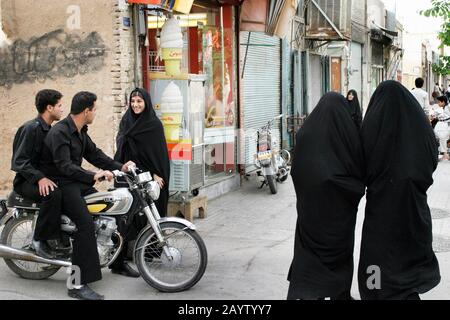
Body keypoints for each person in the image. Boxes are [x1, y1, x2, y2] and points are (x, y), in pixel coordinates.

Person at [40, 91, 135, 300]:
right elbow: (64, 167)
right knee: (85, 224)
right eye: (95, 109)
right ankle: (75, 285)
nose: (95, 113)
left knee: (108, 206)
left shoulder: (80, 131)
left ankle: (116, 263)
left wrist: (122, 167)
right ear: (86, 111)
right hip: (60, 184)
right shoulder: (61, 132)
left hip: (75, 181)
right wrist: (94, 175)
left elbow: (95, 154)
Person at [358, 80, 440, 300]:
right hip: (414, 213)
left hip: (381, 215)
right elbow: (432, 160)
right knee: (408, 270)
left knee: (376, 269)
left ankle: (374, 290)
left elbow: (361, 163)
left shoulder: (374, 127)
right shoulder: (420, 128)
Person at [287, 92, 365, 300]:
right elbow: (358, 170)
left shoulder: (306, 133)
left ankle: (307, 292)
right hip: (338, 215)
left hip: (309, 211)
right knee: (338, 254)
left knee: (308, 252)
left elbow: (296, 170)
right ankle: (339, 293)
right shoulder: (346, 135)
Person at [109, 88, 170, 276]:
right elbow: (123, 148)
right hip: (127, 173)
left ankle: (150, 251)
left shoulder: (153, 124)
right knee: (124, 215)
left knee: (151, 210)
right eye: (133, 101)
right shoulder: (126, 120)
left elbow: (156, 155)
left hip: (148, 176)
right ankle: (122, 254)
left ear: (146, 103)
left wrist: (155, 174)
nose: (135, 104)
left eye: (139, 101)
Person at [11, 89, 64, 259]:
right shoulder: (30, 128)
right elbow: (19, 162)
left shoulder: (50, 130)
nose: (62, 109)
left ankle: (61, 238)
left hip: (41, 178)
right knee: (53, 194)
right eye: (59, 106)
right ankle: (39, 240)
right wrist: (40, 178)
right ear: (49, 107)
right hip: (26, 182)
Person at [431, 96, 450, 161]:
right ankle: (444, 154)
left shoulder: (448, 106)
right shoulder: (442, 108)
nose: (438, 103)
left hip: (445, 124)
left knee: (442, 138)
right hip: (440, 124)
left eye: (439, 102)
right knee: (438, 137)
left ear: (443, 102)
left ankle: (445, 155)